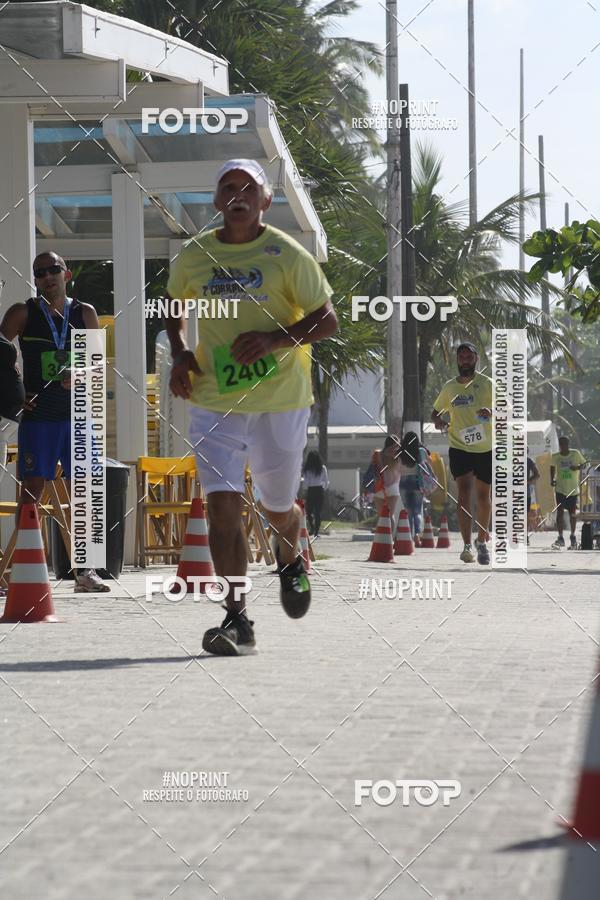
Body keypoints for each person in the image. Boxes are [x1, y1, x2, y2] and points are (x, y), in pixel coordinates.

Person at [165, 159, 337, 656]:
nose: (237, 195)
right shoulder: (195, 256)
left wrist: (273, 339)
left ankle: (291, 547)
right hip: (215, 399)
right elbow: (174, 305)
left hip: (280, 401)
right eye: (228, 188)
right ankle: (237, 619)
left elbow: (327, 321)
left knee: (276, 507)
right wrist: (180, 353)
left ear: (265, 200)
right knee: (222, 508)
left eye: (248, 188)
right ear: (217, 201)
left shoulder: (287, 255)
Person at [0, 252, 110, 592]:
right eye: (40, 273)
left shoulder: (85, 312)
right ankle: (21, 571)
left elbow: (98, 364)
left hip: (78, 417)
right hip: (39, 419)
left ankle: (87, 572)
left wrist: (81, 372)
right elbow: (1, 353)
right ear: (35, 279)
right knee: (32, 492)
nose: (47, 276)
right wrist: (15, 391)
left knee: (86, 491)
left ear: (67, 274)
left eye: (53, 270)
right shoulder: (22, 312)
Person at [432, 342, 493, 565]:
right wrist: (438, 421)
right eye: (461, 357)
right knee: (464, 494)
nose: (465, 361)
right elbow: (435, 412)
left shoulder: (487, 383)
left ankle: (482, 541)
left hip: (485, 448)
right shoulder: (450, 387)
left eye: (469, 357)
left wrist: (492, 411)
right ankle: (467, 545)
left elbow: (508, 407)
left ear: (476, 359)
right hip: (459, 446)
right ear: (457, 361)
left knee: (483, 496)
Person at [550, 436, 586, 549]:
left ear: (568, 444)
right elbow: (552, 467)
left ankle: (572, 535)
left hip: (573, 489)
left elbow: (585, 464)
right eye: (561, 444)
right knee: (560, 512)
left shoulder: (575, 454)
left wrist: (577, 467)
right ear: (559, 445)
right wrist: (552, 479)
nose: (563, 446)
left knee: (572, 513)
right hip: (560, 489)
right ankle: (560, 537)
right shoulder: (555, 456)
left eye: (565, 444)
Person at [398, 431, 427, 543]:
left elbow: (397, 468)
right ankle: (417, 534)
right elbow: (426, 464)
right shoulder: (420, 451)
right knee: (417, 510)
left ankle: (409, 535)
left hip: (403, 482)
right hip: (417, 482)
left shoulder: (400, 452)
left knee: (408, 511)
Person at [301, 450, 329, 537]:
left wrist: (305, 489)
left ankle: (312, 528)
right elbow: (326, 481)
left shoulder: (307, 470)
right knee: (318, 512)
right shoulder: (322, 468)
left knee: (308, 511)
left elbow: (305, 484)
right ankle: (316, 532)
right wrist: (323, 489)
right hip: (319, 490)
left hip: (311, 491)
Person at [380, 434, 403, 536]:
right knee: (390, 514)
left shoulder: (381, 454)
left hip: (381, 486)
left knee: (383, 515)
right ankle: (390, 538)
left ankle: (383, 537)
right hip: (394, 487)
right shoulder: (398, 454)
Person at [526, 453, 540, 544]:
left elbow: (537, 474)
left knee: (525, 514)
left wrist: (528, 481)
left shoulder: (529, 460)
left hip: (525, 492)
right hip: (513, 491)